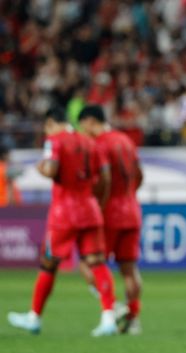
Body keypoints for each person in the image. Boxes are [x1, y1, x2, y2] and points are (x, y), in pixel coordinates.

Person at [8, 107, 117, 336]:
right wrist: (100, 202)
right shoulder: (89, 142)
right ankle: (108, 317)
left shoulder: (54, 140)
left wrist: (40, 168)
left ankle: (34, 317)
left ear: (50, 123)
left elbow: (51, 169)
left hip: (64, 213)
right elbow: (105, 176)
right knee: (97, 263)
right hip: (90, 209)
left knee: (49, 263)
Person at [77, 105, 144, 335]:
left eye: (82, 125)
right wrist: (130, 195)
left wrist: (99, 206)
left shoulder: (99, 144)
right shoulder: (125, 140)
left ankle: (113, 307)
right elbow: (139, 174)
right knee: (129, 269)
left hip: (108, 213)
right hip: (131, 209)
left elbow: (101, 181)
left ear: (89, 121)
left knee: (89, 263)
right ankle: (133, 318)